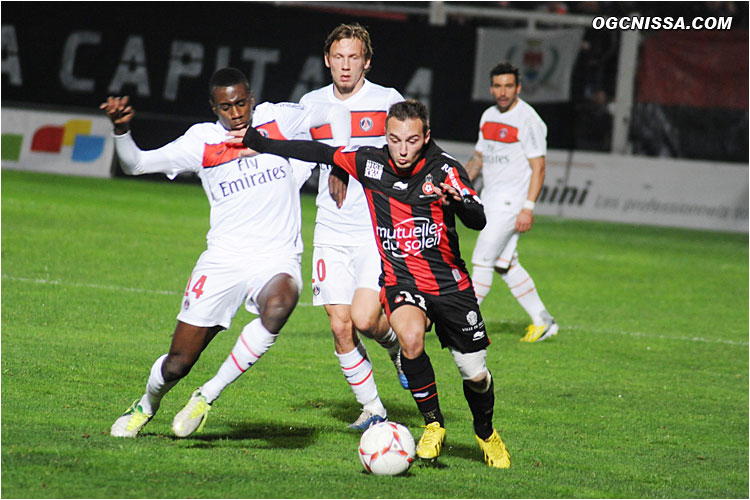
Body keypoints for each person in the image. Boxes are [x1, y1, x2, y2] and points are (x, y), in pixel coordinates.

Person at [236, 100, 511, 468]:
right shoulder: (370, 162)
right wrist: (263, 141)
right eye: (394, 139)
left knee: (474, 374)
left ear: (426, 137)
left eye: (411, 140)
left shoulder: (445, 170)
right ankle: (433, 424)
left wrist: (458, 203)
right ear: (386, 136)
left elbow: (477, 218)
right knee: (410, 340)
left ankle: (486, 433)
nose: (401, 149)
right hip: (401, 279)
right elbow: (321, 151)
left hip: (449, 285)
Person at [104, 67, 351, 438]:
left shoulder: (280, 118)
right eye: (226, 107)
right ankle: (146, 405)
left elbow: (335, 110)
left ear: (252, 98)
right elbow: (135, 164)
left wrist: (339, 163)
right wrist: (121, 130)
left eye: (241, 103)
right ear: (213, 108)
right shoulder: (200, 141)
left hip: (276, 258)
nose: (235, 113)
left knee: (281, 304)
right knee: (177, 364)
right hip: (223, 262)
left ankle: (207, 395)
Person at [298, 23, 407, 430]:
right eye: (338, 57)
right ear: (327, 60)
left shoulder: (387, 101)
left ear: (367, 62)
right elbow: (295, 158)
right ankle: (373, 408)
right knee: (339, 324)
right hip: (329, 227)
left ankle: (395, 348)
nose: (345, 66)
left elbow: (409, 152)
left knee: (365, 319)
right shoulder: (311, 104)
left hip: (374, 230)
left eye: (354, 58)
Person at [464, 62, 558, 343]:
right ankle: (544, 321)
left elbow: (539, 167)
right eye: (497, 86)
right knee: (505, 263)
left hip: (510, 204)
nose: (502, 92)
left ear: (518, 87)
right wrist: (458, 185)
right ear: (491, 88)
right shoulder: (488, 115)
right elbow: (479, 157)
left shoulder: (528, 119)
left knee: (482, 260)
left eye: (508, 86)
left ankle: (463, 323)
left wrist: (527, 208)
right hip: (490, 199)